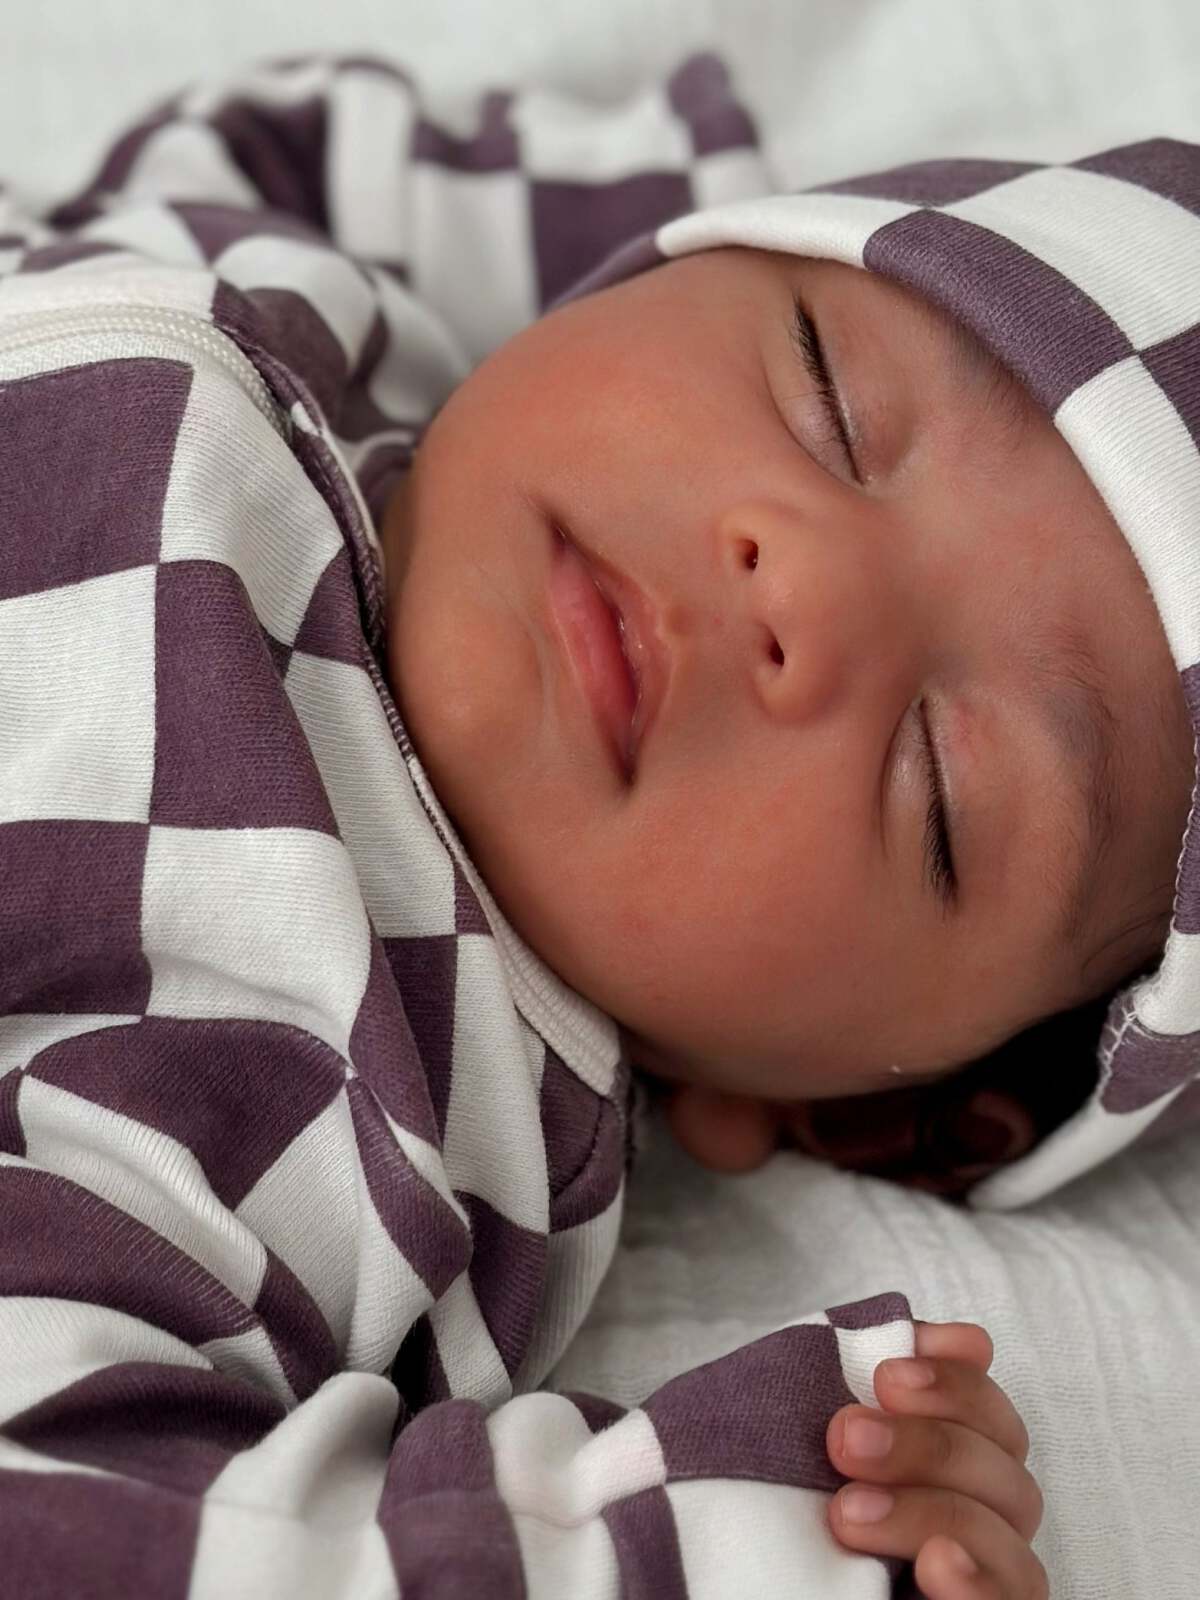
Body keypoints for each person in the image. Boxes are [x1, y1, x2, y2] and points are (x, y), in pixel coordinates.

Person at [1, 48, 1196, 1598]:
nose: (801, 583)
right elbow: (262, 136)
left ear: (845, 1116)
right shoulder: (337, 304)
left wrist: (703, 1539)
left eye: (941, 790)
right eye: (828, 397)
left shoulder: (339, 1116)